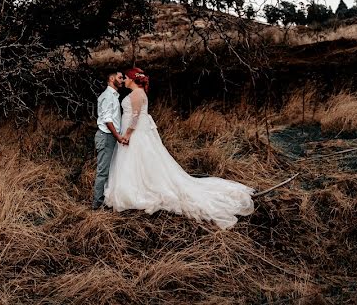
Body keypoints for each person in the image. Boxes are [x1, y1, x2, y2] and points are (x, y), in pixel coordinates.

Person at [104, 67, 254, 229]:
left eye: (126, 78)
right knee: (136, 162)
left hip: (136, 134)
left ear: (133, 78)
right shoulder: (137, 93)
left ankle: (138, 189)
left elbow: (135, 117)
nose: (124, 80)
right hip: (138, 133)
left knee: (139, 160)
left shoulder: (137, 94)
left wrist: (126, 134)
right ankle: (135, 186)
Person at [92, 71, 126, 210]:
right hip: (106, 136)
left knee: (110, 170)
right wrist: (117, 136)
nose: (122, 80)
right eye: (119, 77)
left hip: (110, 136)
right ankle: (97, 205)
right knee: (103, 171)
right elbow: (107, 119)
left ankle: (106, 200)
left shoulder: (114, 96)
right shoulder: (107, 96)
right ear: (111, 78)